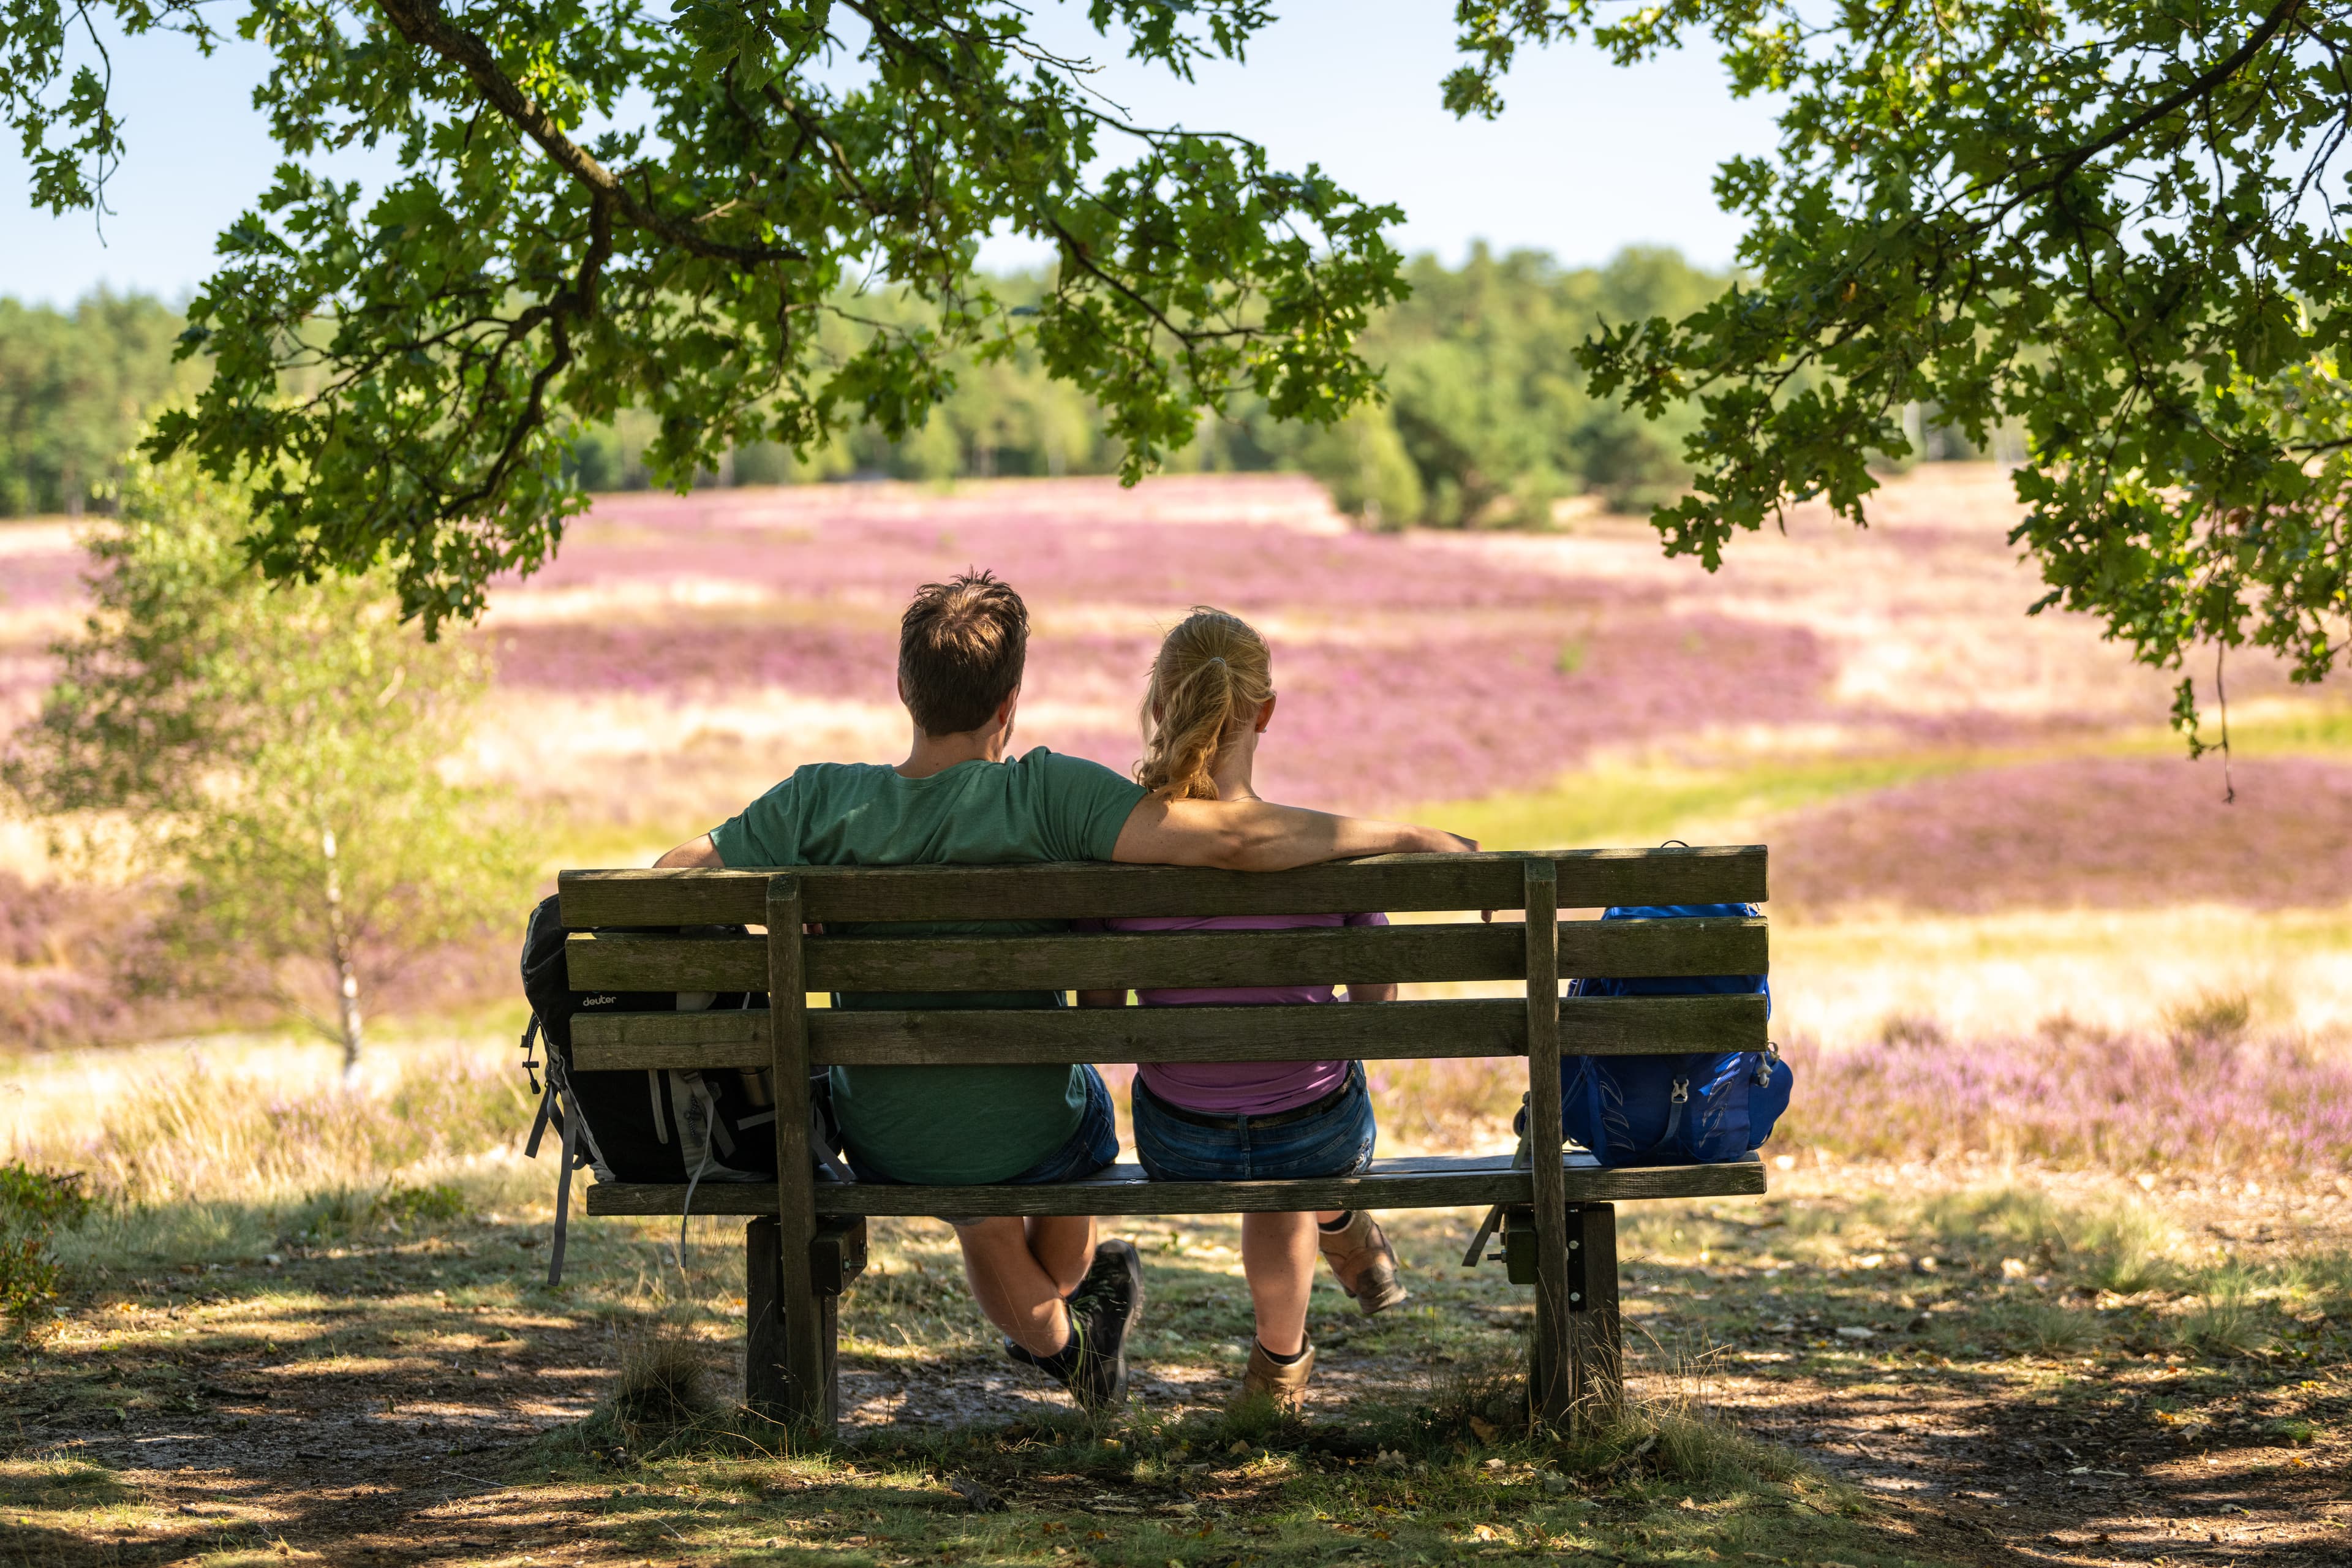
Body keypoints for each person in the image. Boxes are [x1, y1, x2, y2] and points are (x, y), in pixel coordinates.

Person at [654, 573, 1474, 1414]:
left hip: (885, 1134)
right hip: (1042, 1124)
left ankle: (1080, 1355)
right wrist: (1407, 835)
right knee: (1067, 1128)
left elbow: (671, 877)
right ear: (1011, 701)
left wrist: (774, 942)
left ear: (904, 687)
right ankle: (1088, 1332)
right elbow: (1230, 840)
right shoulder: (1049, 793)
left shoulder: (819, 801)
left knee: (979, 1200)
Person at [1077, 607, 1411, 1412]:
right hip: (1319, 1130)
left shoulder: (1119, 854)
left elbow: (1096, 1006)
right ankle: (1279, 1367)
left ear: (1160, 708)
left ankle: (1336, 1231)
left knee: (1280, 1153)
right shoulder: (1328, 850)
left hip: (1180, 1139)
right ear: (1265, 713)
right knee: (1296, 1150)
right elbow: (1377, 1003)